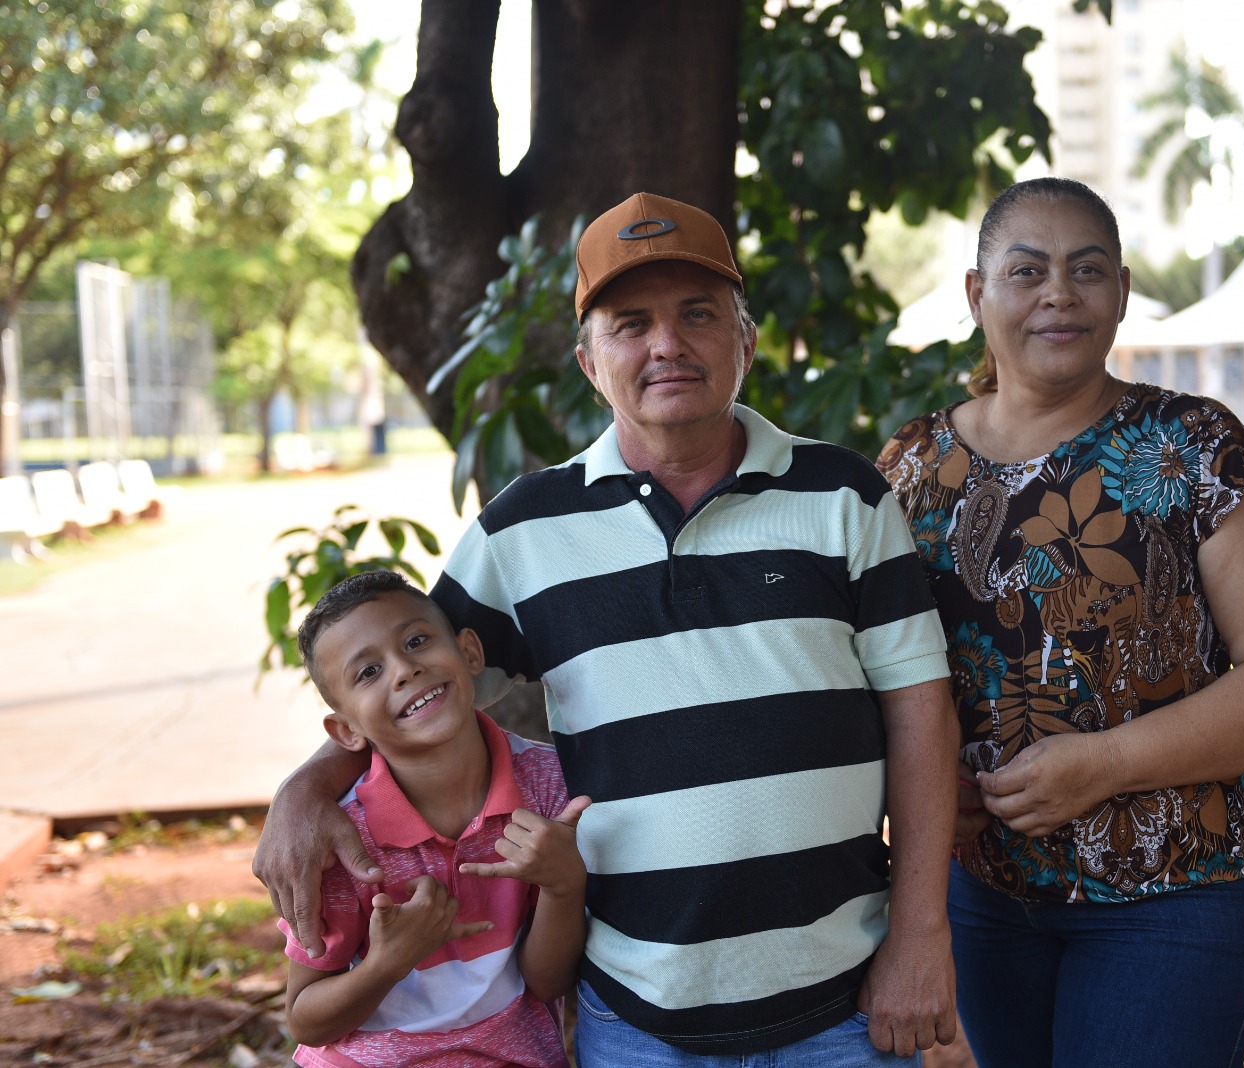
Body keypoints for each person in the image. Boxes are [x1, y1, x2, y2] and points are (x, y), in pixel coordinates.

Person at [254, 192, 961, 1064]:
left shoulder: (843, 496)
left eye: (697, 315)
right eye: (631, 324)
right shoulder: (521, 532)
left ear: (743, 342)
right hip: (637, 1023)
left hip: (842, 1004)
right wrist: (308, 788)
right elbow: (409, 685)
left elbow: (921, 711)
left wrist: (922, 932)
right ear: (591, 363)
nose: (667, 344)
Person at [875, 177, 1244, 1068]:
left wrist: (1104, 765)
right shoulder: (911, 467)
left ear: (1121, 294)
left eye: (1086, 270)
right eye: (1028, 271)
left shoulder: (1194, 446)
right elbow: (883, 676)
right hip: (983, 900)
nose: (1060, 292)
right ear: (978, 296)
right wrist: (926, 796)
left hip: (1173, 897)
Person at [281, 570, 588, 1067]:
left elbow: (547, 983)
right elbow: (305, 1018)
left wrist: (563, 885)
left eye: (417, 641)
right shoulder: (345, 841)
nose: (404, 669)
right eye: (368, 672)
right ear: (346, 730)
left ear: (470, 653)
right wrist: (389, 961)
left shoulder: (549, 786)